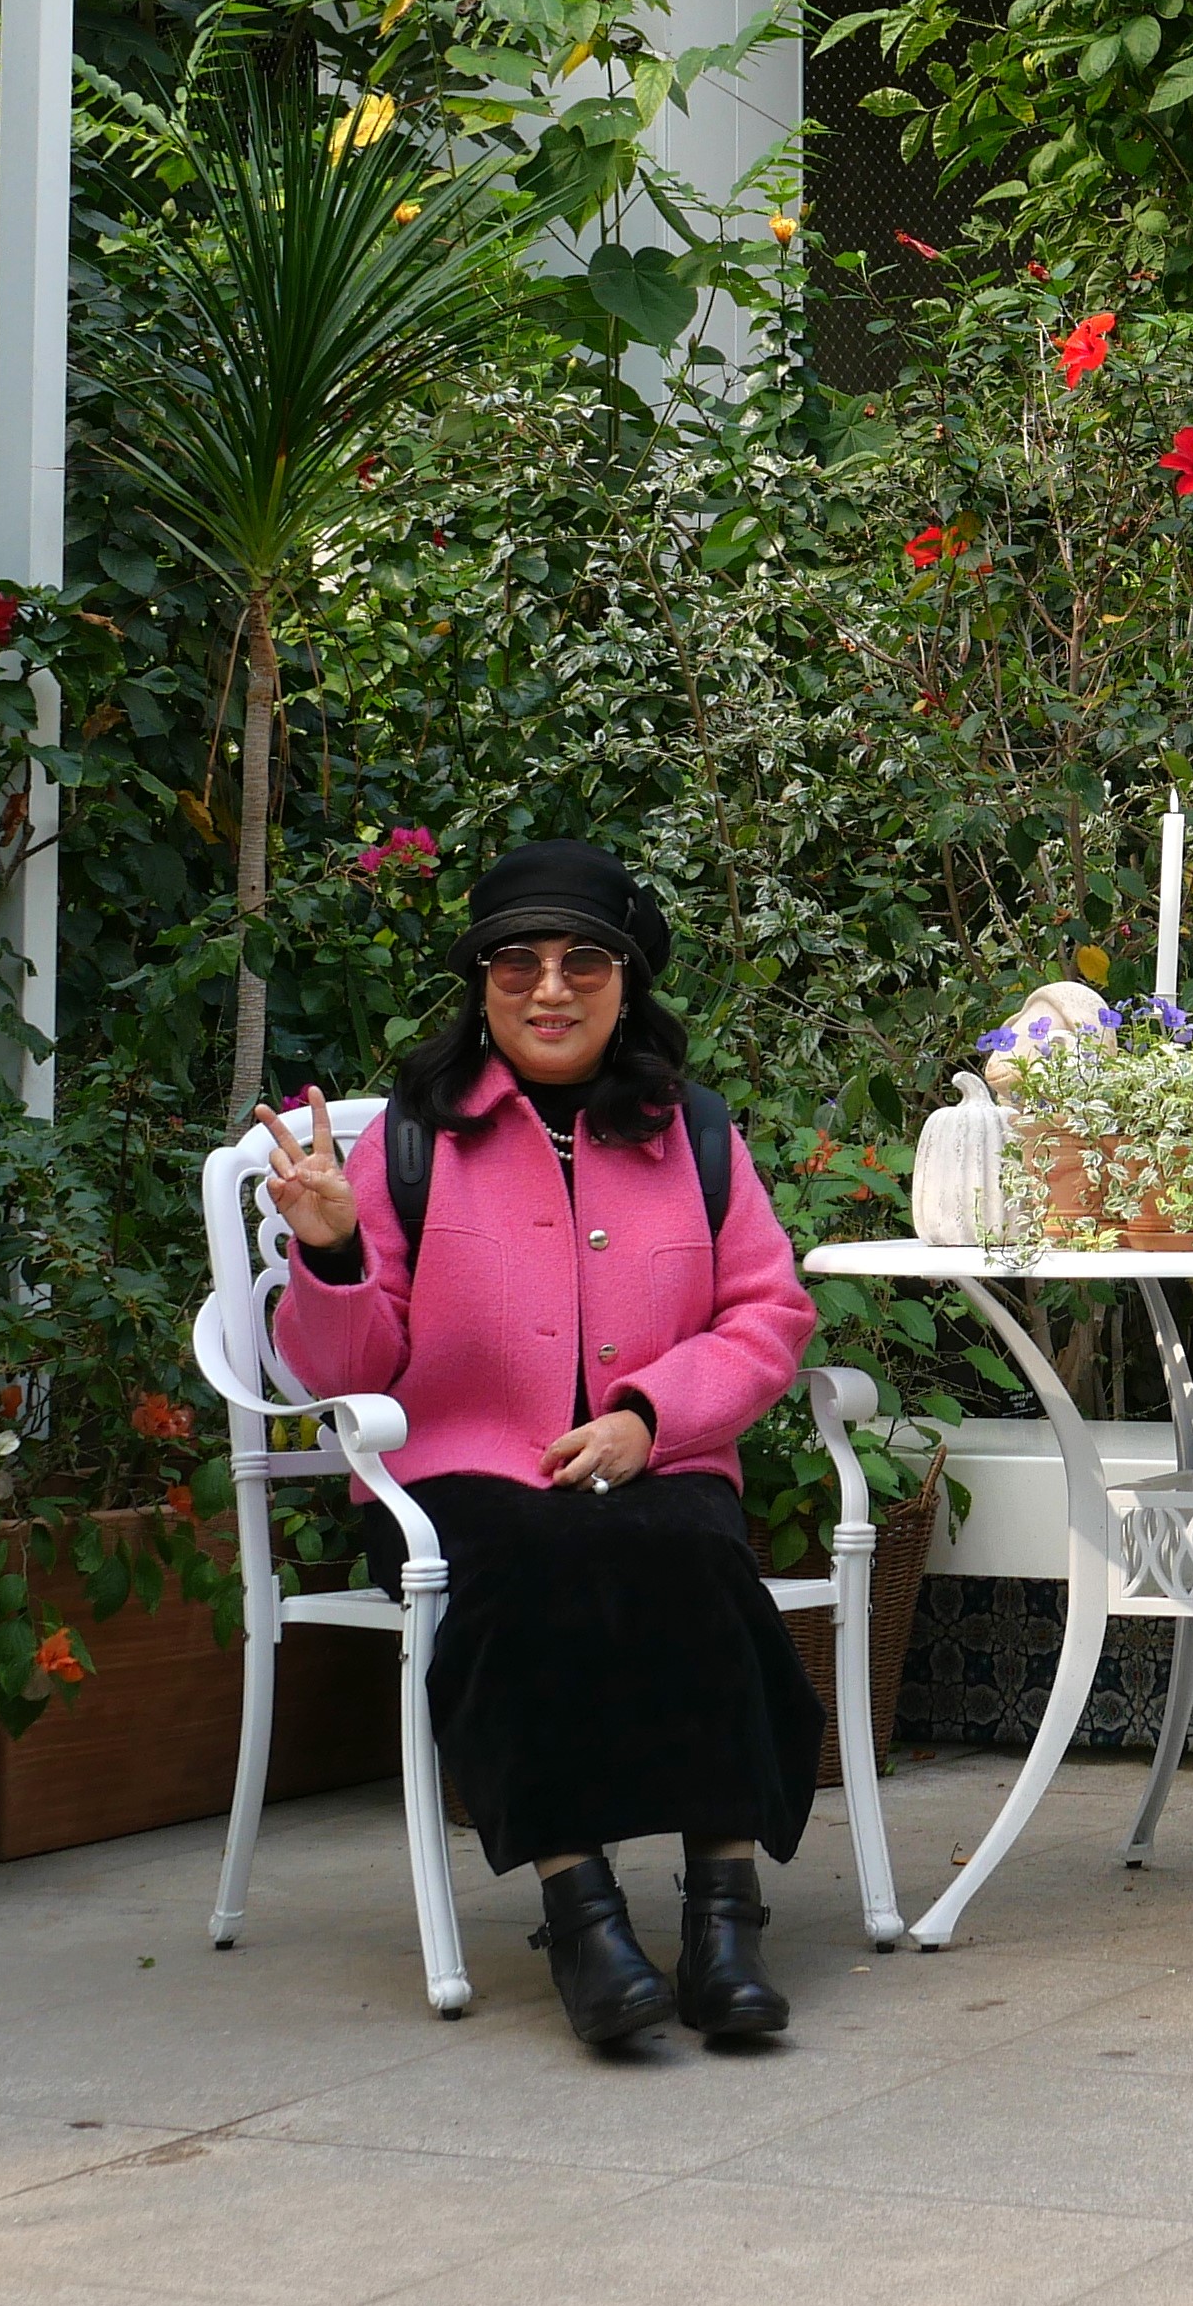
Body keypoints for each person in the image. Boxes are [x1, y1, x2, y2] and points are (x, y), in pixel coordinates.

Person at [253, 840, 829, 2049]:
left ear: (627, 984)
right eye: (516, 962)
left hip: (654, 1461)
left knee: (696, 1559)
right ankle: (583, 1920)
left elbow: (766, 1314)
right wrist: (333, 1250)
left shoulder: (694, 1134)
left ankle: (724, 1921)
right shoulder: (411, 1139)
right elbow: (346, 1374)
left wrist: (649, 1419)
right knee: (522, 1567)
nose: (549, 988)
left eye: (583, 963)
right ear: (481, 985)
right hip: (459, 1476)